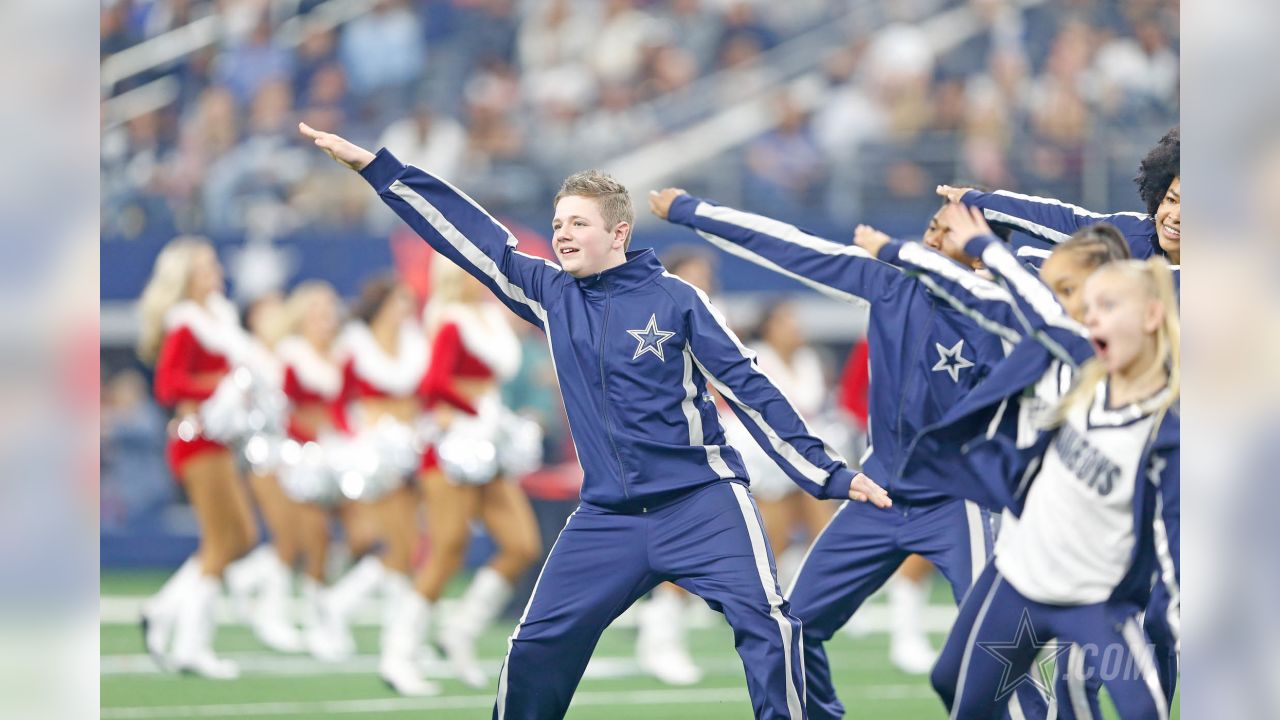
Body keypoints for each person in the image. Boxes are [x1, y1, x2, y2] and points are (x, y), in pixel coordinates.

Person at [299, 121, 889, 720]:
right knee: (534, 648)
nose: (562, 234)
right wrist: (382, 172)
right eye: (557, 224)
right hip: (607, 515)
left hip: (704, 502)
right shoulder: (552, 293)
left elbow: (751, 388)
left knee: (770, 629)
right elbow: (474, 239)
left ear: (619, 232)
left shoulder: (678, 298)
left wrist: (828, 473)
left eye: (578, 222)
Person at [649, 187, 1047, 720]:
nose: (930, 234)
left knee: (994, 641)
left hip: (962, 502)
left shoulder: (1001, 320)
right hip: (878, 492)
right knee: (796, 627)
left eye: (947, 230)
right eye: (932, 224)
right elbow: (790, 245)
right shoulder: (889, 281)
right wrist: (689, 211)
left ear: (979, 251)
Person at [864, 209, 1176, 718]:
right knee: (956, 689)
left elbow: (1175, 545)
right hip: (1023, 576)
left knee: (1106, 704)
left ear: (1151, 318)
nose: (1089, 316)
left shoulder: (1167, 427)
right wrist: (934, 249)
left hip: (1096, 597)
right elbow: (1030, 304)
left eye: (1106, 305)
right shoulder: (1076, 354)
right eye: (1085, 305)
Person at [413, 258, 542, 688]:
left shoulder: (489, 315)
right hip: (452, 444)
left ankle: (460, 630)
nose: (477, 274)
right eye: (467, 269)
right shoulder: (447, 319)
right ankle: (400, 651)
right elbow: (432, 383)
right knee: (449, 548)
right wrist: (477, 409)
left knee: (522, 544)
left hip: (488, 444)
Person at [136, 237, 258, 679]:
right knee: (225, 540)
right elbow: (168, 387)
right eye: (205, 266)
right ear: (185, 276)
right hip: (196, 436)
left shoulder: (220, 317)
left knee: (240, 536)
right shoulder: (185, 321)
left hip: (220, 438)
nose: (215, 271)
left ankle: (162, 609)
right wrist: (219, 388)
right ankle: (190, 643)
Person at [331, 275, 437, 695]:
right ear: (381, 302)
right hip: (372, 450)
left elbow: (425, 395)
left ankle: (381, 624)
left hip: (410, 445)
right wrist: (357, 439)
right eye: (399, 301)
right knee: (400, 546)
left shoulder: (416, 342)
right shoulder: (355, 342)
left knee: (408, 547)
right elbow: (338, 402)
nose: (405, 309)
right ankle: (344, 609)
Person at [937, 126, 1180, 266]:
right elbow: (1065, 221)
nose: (1176, 217)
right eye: (1171, 200)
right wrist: (978, 201)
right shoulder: (1132, 236)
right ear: (1157, 195)